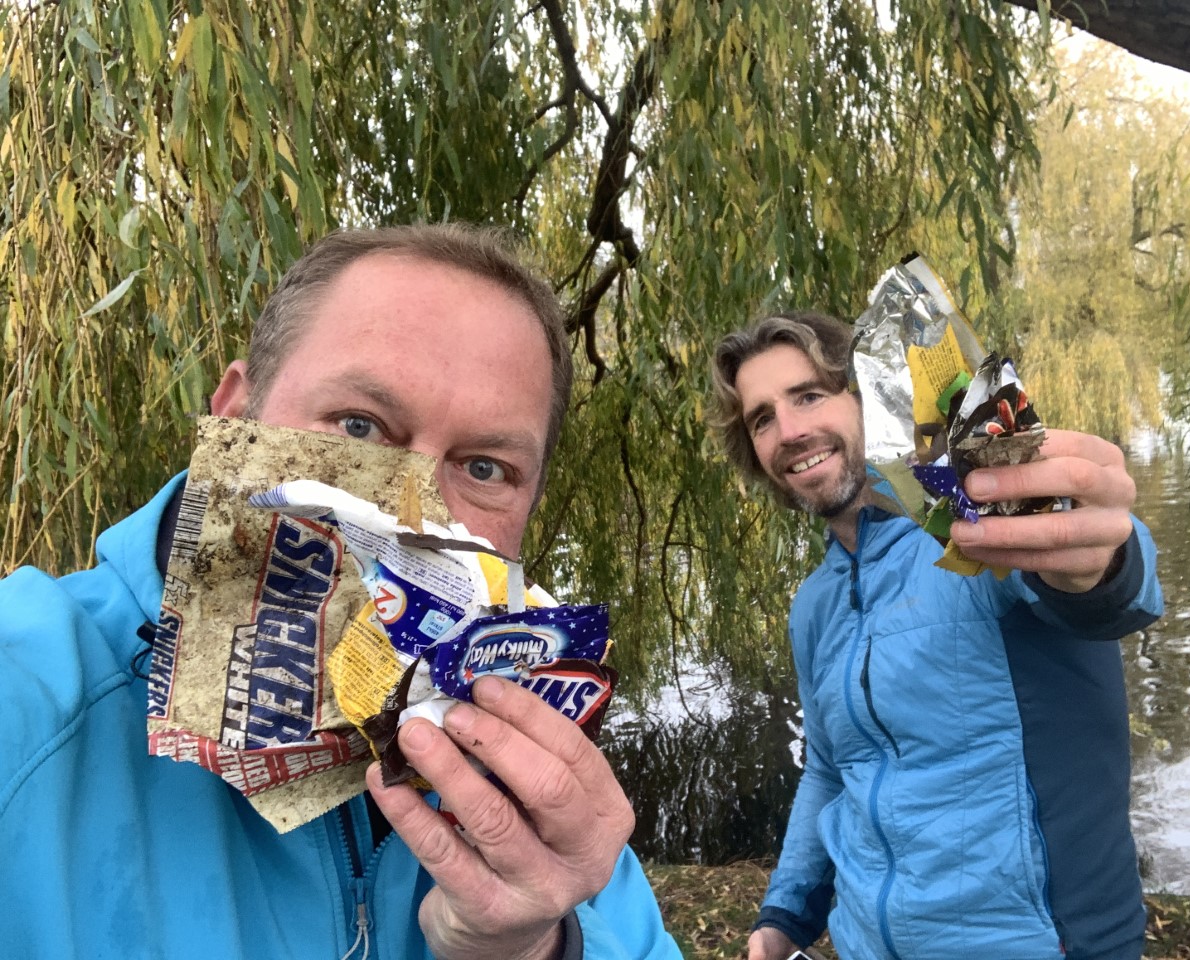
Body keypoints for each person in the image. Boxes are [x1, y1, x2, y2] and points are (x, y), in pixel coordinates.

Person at [0, 223, 681, 960]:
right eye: (359, 425)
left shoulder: (530, 775)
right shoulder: (26, 702)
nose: (413, 514)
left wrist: (535, 946)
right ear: (234, 417)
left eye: (484, 468)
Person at [708, 311, 1164, 960]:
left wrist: (1102, 555)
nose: (790, 430)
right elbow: (831, 773)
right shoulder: (813, 606)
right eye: (761, 417)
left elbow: (1100, 585)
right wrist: (783, 917)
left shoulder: (970, 530)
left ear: (868, 396)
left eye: (810, 395)